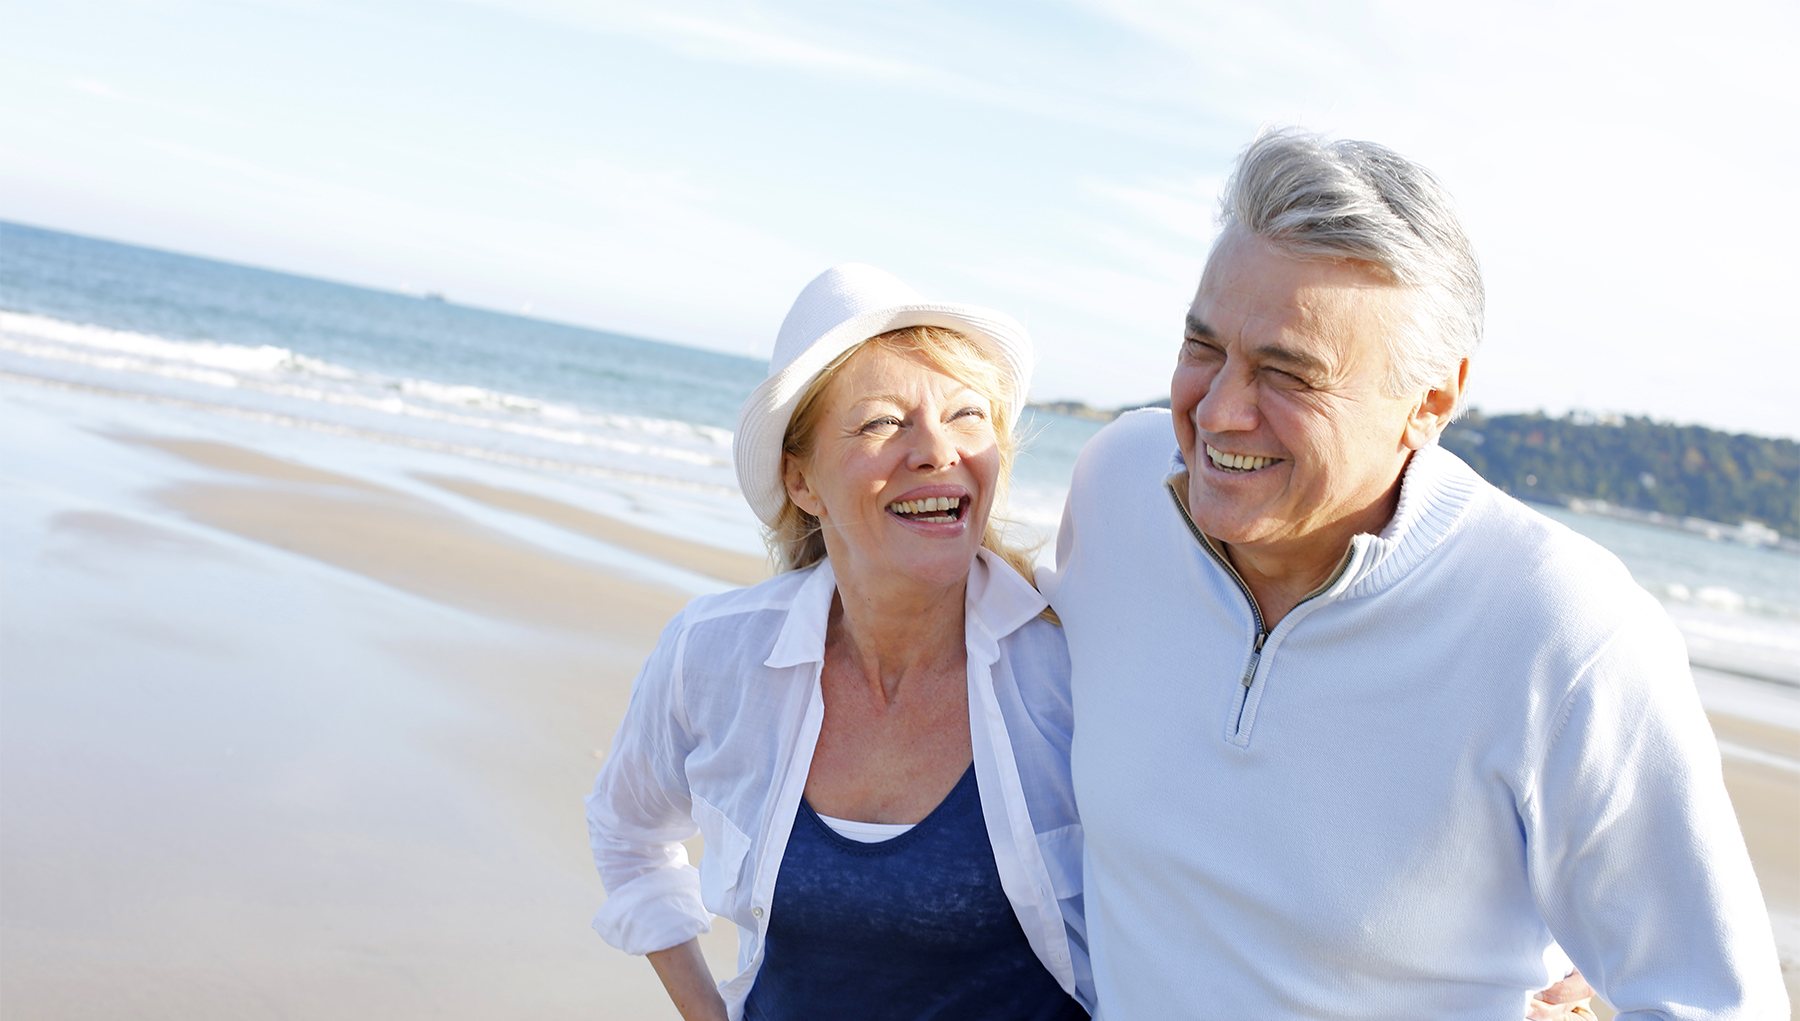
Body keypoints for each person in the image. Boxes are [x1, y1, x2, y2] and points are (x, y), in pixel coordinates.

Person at [1043, 128, 1789, 1017]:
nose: (1217, 410)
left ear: (1430, 402)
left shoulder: (1563, 630)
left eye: (1287, 373)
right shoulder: (1117, 482)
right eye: (1204, 347)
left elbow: (1715, 1000)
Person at [586, 264, 1091, 1020]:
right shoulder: (714, 655)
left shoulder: (1073, 665)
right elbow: (626, 832)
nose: (936, 450)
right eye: (882, 422)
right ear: (802, 482)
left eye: (966, 414)